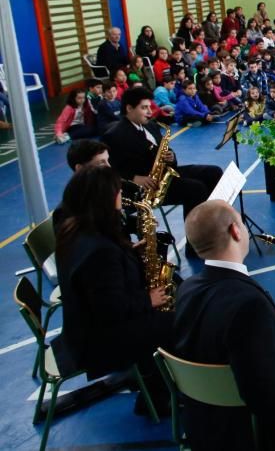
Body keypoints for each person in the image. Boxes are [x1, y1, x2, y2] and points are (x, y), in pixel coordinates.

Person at [172, 201, 275, 450]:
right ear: (235, 231)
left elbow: (220, 331)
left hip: (203, 423)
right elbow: (264, 393)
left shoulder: (187, 288)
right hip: (250, 433)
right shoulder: (248, 304)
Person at [52, 166, 172, 416]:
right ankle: (157, 397)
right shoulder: (99, 250)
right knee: (177, 321)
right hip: (98, 343)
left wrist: (129, 255)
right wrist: (148, 299)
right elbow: (111, 310)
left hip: (84, 329)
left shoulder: (74, 230)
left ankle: (156, 383)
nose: (121, 195)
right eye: (117, 191)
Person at [104, 87, 223, 220]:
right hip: (146, 188)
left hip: (165, 174)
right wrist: (134, 178)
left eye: (149, 107)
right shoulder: (114, 135)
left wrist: (171, 156)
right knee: (196, 189)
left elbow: (165, 148)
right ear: (129, 108)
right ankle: (195, 236)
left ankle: (213, 220)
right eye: (144, 108)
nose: (150, 112)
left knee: (214, 172)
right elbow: (111, 170)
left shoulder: (150, 125)